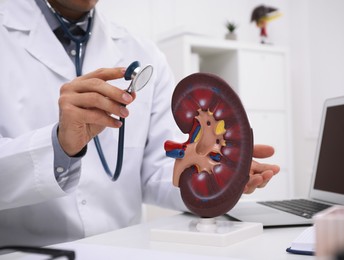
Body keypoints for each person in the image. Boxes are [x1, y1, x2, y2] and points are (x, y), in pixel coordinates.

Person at [0, 0, 280, 247]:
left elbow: (157, 171)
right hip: (24, 251)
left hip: (123, 247)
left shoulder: (145, 53)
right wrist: (58, 147)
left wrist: (215, 179)